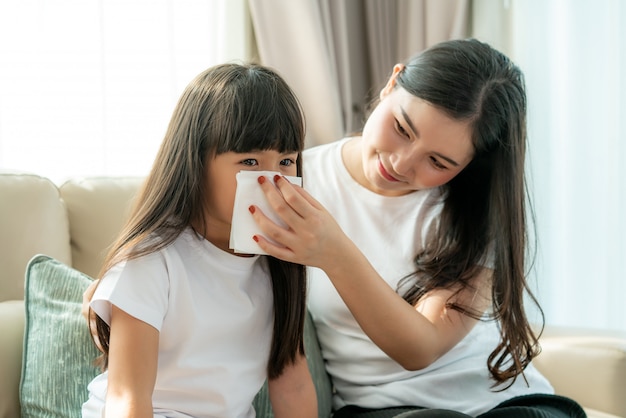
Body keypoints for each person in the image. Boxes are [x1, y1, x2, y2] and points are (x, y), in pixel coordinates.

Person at [249, 39, 586, 417]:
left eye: (438, 162)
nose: (401, 163)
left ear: (469, 164)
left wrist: (333, 251)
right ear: (392, 83)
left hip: (508, 405)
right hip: (387, 410)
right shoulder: (294, 183)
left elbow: (420, 348)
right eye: (402, 128)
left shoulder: (473, 212)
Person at [81, 63, 317, 418]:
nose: (272, 180)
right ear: (195, 161)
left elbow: (293, 385)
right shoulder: (152, 259)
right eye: (250, 161)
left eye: (286, 161)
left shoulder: (281, 263)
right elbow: (127, 399)